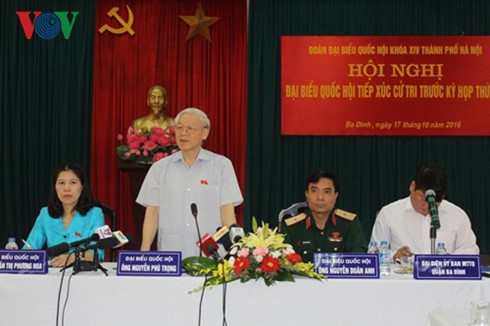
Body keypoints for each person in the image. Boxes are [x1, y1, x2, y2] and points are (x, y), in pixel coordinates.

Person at [136, 107, 243, 258]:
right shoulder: (159, 168)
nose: (183, 133)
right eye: (179, 128)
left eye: (190, 128)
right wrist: (144, 252)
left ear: (204, 133)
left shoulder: (221, 165)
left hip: (212, 253)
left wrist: (234, 250)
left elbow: (227, 209)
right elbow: (153, 211)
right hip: (170, 254)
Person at [370, 163, 479, 261]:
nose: (427, 206)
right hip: (404, 281)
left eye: (435, 202)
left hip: (445, 281)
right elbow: (373, 252)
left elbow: (470, 249)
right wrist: (394, 256)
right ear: (412, 186)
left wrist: (449, 258)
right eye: (423, 198)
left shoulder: (457, 215)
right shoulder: (389, 213)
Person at [24, 162, 105, 267]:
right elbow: (30, 248)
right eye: (61, 183)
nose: (66, 188)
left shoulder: (95, 214)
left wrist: (72, 258)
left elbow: (98, 253)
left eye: (73, 182)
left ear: (82, 186)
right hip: (52, 275)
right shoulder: (45, 214)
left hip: (83, 275)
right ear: (55, 187)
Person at [281, 170, 368, 263]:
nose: (320, 197)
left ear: (336, 196)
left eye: (327, 192)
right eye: (314, 191)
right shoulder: (291, 227)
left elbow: (359, 259)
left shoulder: (349, 224)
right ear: (306, 195)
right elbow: (283, 263)